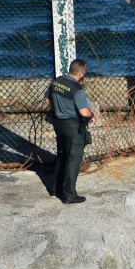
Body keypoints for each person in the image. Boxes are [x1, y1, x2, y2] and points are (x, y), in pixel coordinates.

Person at [44, 59, 93, 204]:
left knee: (62, 155)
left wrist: (57, 110)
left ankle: (55, 188)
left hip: (58, 123)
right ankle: (70, 195)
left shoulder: (57, 82)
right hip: (73, 127)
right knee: (74, 159)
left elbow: (47, 99)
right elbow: (84, 112)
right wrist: (92, 116)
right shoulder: (77, 89)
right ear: (81, 73)